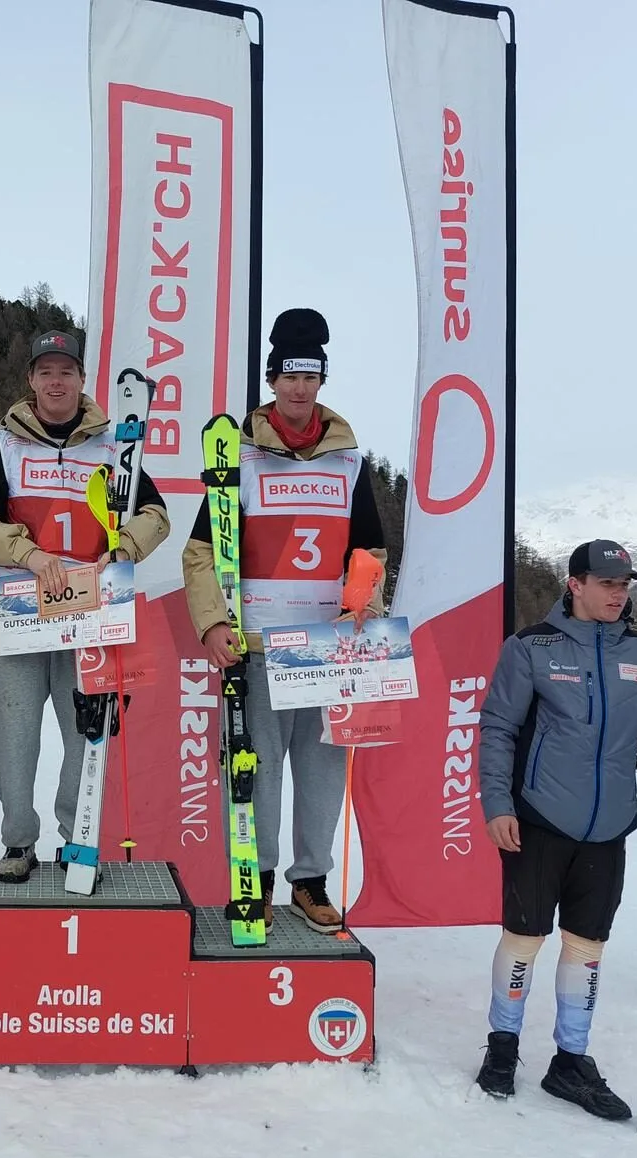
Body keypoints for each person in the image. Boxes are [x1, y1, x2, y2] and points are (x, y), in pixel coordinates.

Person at [473, 539, 637, 1119]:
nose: (619, 594)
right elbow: (498, 729)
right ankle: (503, 1047)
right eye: (607, 583)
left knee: (586, 947)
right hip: (538, 819)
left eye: (624, 585)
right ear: (576, 584)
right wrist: (497, 803)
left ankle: (569, 1062)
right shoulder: (531, 648)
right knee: (524, 939)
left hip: (609, 826)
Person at [181, 308, 388, 933]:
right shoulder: (239, 456)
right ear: (272, 381)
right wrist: (213, 624)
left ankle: (310, 880)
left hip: (327, 648)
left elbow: (370, 550)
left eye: (310, 377)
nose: (299, 389)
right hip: (260, 645)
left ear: (322, 381)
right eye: (289, 377)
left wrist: (364, 607)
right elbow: (202, 552)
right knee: (257, 772)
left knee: (322, 773)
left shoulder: (348, 461)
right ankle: (258, 878)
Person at [0, 330, 170, 882]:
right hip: (21, 613)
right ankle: (17, 841)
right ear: (31, 380)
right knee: (13, 733)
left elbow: (156, 515)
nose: (57, 382)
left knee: (87, 735)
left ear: (81, 379)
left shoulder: (114, 447)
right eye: (46, 371)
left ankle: (79, 838)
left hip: (92, 615)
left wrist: (124, 548)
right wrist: (27, 553)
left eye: (67, 371)